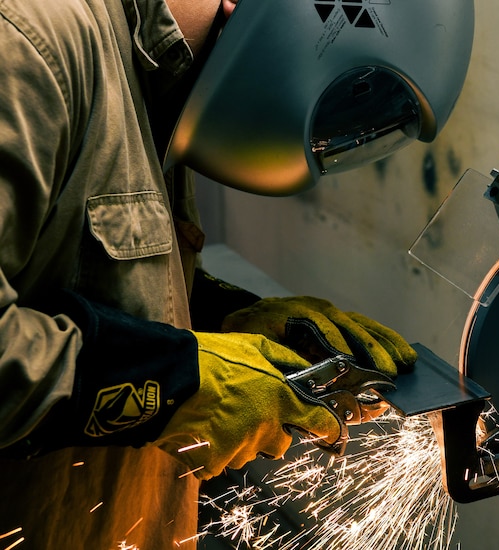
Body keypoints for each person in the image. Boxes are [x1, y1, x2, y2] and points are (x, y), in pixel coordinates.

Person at [0, 0, 473, 548]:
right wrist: (178, 383)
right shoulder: (31, 42)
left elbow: (72, 278)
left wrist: (230, 321)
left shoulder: (163, 80)